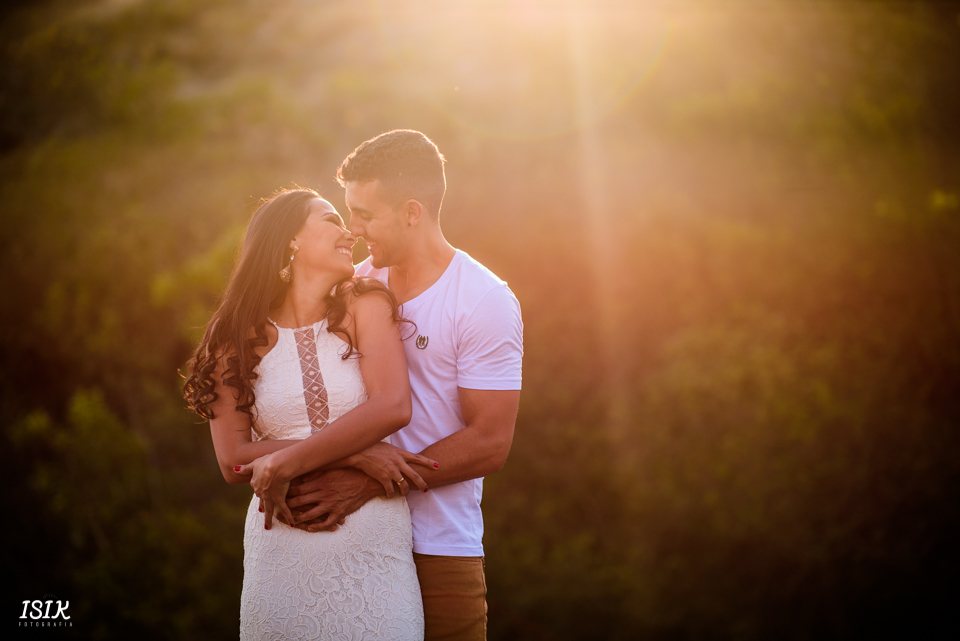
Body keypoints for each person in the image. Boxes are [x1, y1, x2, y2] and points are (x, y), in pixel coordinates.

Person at [260, 130, 524, 640]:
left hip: (438, 545)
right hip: (350, 536)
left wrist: (368, 481)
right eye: (348, 214)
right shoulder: (350, 287)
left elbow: (490, 441)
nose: (353, 230)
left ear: (411, 212)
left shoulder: (483, 299)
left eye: (364, 214)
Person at [182, 188, 435, 640]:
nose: (350, 233)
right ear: (291, 240)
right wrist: (355, 454)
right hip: (281, 555)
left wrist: (291, 457)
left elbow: (393, 406)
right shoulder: (233, 336)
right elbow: (234, 459)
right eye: (332, 220)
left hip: (374, 553)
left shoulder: (366, 304)